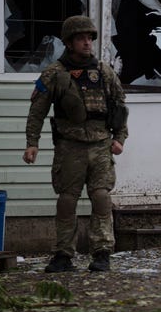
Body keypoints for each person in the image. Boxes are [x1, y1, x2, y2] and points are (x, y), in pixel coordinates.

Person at [23, 16, 128, 273]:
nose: (87, 42)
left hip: (101, 145)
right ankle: (63, 254)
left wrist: (119, 138)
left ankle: (102, 252)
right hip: (70, 146)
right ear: (69, 42)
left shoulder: (104, 71)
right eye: (81, 38)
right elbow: (37, 110)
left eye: (90, 38)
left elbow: (120, 105)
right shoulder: (54, 73)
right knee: (67, 200)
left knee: (101, 197)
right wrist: (32, 143)